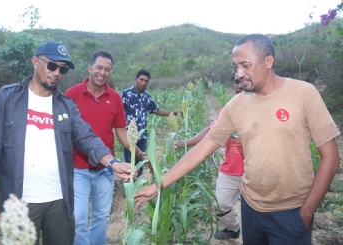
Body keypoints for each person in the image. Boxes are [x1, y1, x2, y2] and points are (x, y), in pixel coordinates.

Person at [134, 34, 341, 245]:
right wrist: (159, 184)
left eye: (245, 65)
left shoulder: (304, 94)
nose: (239, 74)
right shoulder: (235, 105)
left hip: (292, 213)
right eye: (235, 66)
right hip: (251, 209)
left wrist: (306, 213)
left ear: (268, 61)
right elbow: (201, 149)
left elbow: (331, 158)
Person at [0, 41, 134, 245]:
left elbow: (87, 137)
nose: (57, 72)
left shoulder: (65, 105)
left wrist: (112, 162)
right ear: (34, 61)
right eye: (51, 65)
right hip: (20, 201)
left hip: (59, 201)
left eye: (62, 68)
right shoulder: (7, 98)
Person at [65, 50, 148, 245]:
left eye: (107, 69)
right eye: (99, 67)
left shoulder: (115, 98)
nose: (103, 72)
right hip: (78, 168)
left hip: (106, 168)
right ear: (90, 68)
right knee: (78, 218)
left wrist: (141, 154)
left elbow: (121, 133)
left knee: (102, 217)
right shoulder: (72, 94)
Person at [173, 75, 244, 240]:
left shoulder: (263, 109)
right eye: (236, 82)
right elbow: (210, 132)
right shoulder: (228, 109)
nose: (240, 85)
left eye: (244, 81)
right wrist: (187, 142)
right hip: (231, 169)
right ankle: (232, 229)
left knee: (254, 216)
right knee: (220, 205)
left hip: (254, 172)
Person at [120, 69, 178, 176]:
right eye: (141, 79)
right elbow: (117, 111)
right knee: (129, 164)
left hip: (142, 137)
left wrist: (173, 113)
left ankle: (138, 189)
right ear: (136, 79)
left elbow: (157, 110)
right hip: (129, 136)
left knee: (141, 163)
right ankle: (130, 190)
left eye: (146, 81)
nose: (143, 82)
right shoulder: (126, 94)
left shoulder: (147, 97)